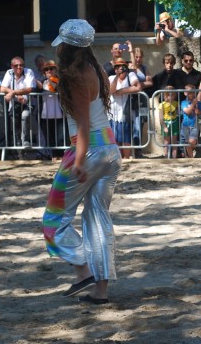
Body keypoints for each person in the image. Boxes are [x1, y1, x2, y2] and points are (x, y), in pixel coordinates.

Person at [42, 19, 121, 305]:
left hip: (87, 151)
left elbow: (84, 125)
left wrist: (77, 161)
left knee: (53, 219)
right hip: (110, 149)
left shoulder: (75, 78)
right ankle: (100, 290)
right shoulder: (98, 70)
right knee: (98, 219)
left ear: (67, 47)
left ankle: (82, 269)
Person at [0, 56, 39, 157]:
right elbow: (2, 88)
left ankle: (26, 141)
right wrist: (16, 95)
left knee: (25, 116)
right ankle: (19, 153)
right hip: (15, 104)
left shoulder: (28, 72)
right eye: (16, 65)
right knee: (15, 128)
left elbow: (30, 88)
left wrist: (13, 93)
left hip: (28, 103)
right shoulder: (9, 73)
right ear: (12, 66)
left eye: (21, 65)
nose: (19, 67)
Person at [108, 58, 140, 159]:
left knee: (126, 137)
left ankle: (126, 157)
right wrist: (117, 77)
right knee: (114, 138)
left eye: (122, 66)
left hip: (125, 110)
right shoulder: (111, 78)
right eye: (118, 67)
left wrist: (122, 90)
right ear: (115, 69)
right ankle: (117, 158)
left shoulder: (131, 75)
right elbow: (111, 90)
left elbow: (138, 87)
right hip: (113, 111)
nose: (120, 69)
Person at [39, 59, 68, 158]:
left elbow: (53, 88)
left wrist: (51, 79)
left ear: (56, 70)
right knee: (49, 138)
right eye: (46, 69)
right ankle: (52, 157)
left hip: (59, 115)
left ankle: (60, 156)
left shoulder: (60, 81)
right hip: (45, 115)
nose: (49, 71)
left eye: (51, 69)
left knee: (60, 138)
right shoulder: (42, 81)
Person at [179, 84, 201, 158]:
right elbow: (187, 112)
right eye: (189, 92)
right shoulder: (183, 102)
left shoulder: (198, 103)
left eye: (193, 92)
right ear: (185, 93)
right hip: (185, 125)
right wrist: (193, 104)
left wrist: (198, 112)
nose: (191, 94)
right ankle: (191, 158)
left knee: (192, 141)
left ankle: (191, 153)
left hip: (194, 124)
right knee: (187, 142)